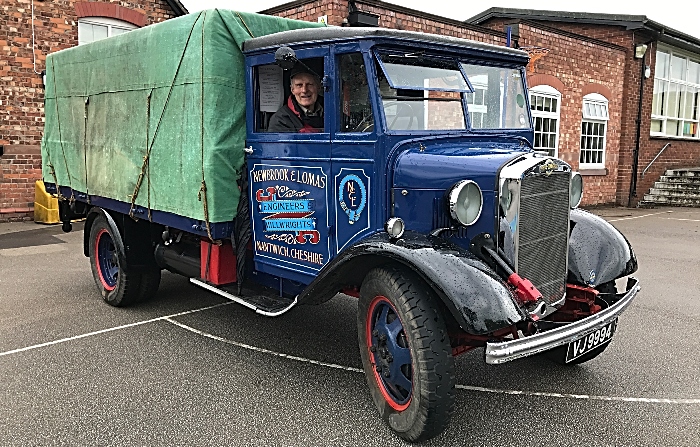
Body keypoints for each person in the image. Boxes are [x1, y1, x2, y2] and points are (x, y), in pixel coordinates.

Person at [268, 66, 323, 133]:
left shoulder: (332, 110)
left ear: (318, 87)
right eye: (299, 85)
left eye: (309, 84)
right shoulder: (280, 120)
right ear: (292, 90)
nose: (304, 90)